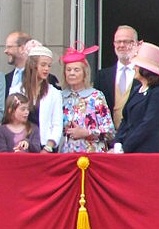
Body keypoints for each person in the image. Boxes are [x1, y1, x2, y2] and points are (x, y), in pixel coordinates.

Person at [59, 42, 115, 153]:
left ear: (85, 73)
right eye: (68, 70)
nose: (72, 73)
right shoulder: (59, 97)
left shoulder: (96, 96)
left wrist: (87, 133)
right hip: (66, 155)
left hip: (93, 154)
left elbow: (110, 132)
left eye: (76, 70)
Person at [9, 46, 63, 153]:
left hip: (46, 146)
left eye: (49, 65)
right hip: (21, 146)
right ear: (32, 65)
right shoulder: (16, 90)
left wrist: (48, 147)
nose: (47, 69)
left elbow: (57, 124)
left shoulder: (54, 93)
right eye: (43, 65)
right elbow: (11, 120)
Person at [114, 42, 159, 153]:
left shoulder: (156, 93)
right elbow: (125, 119)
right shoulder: (136, 90)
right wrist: (118, 143)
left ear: (145, 70)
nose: (133, 67)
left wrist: (126, 147)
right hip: (129, 150)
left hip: (146, 152)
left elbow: (148, 124)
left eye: (137, 65)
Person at [94, 25, 141, 130]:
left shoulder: (145, 76)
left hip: (138, 139)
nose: (121, 45)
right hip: (109, 139)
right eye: (118, 42)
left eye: (127, 42)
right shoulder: (102, 76)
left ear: (136, 44)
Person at [4, 31, 60, 99]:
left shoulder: (49, 79)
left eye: (9, 47)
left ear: (22, 48)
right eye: (43, 64)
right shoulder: (5, 79)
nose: (5, 51)